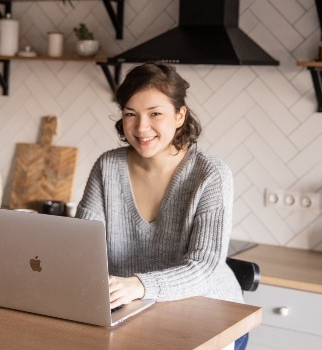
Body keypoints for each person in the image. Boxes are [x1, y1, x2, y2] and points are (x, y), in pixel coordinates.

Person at [75, 62, 248, 350]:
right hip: (131, 312)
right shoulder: (107, 166)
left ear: (180, 115)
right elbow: (81, 245)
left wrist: (138, 285)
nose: (142, 128)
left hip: (209, 316)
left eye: (155, 113)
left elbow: (204, 268)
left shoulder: (210, 174)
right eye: (131, 114)